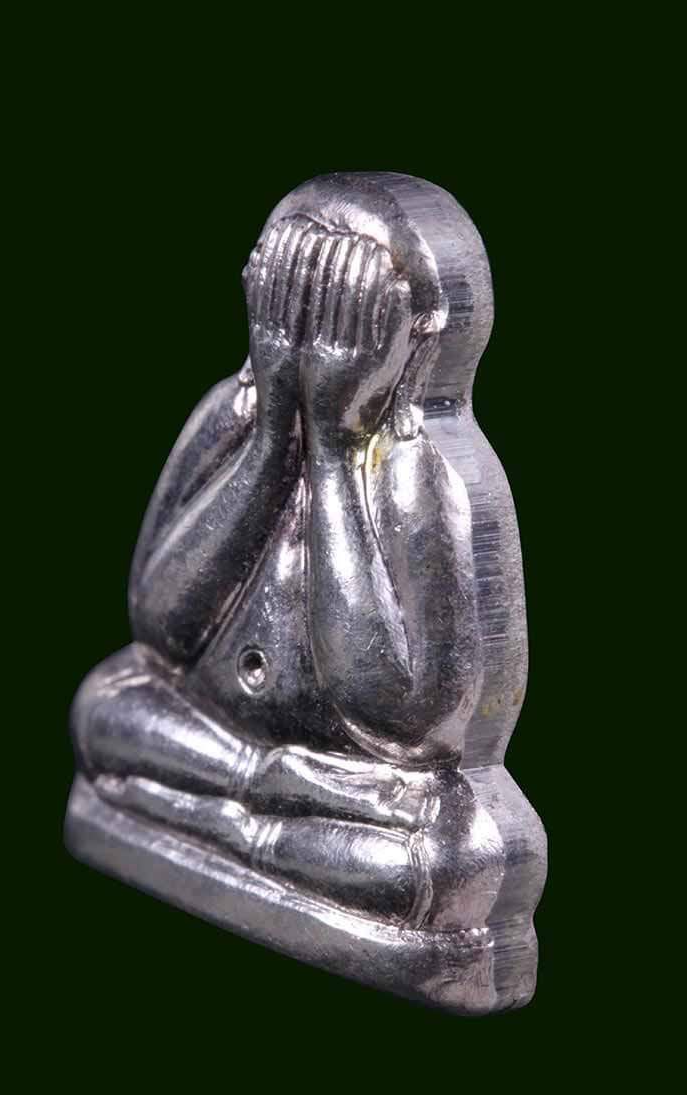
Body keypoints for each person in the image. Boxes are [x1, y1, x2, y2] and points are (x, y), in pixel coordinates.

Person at [71, 211, 500, 930]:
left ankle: (235, 815)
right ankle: (261, 807)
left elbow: (398, 718)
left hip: (345, 779)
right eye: (287, 311)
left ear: (417, 339)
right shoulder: (230, 416)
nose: (306, 346)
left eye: (344, 319)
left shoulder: (420, 477)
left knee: (452, 858)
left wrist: (333, 445)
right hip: (238, 749)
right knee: (103, 709)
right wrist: (274, 437)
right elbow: (161, 632)